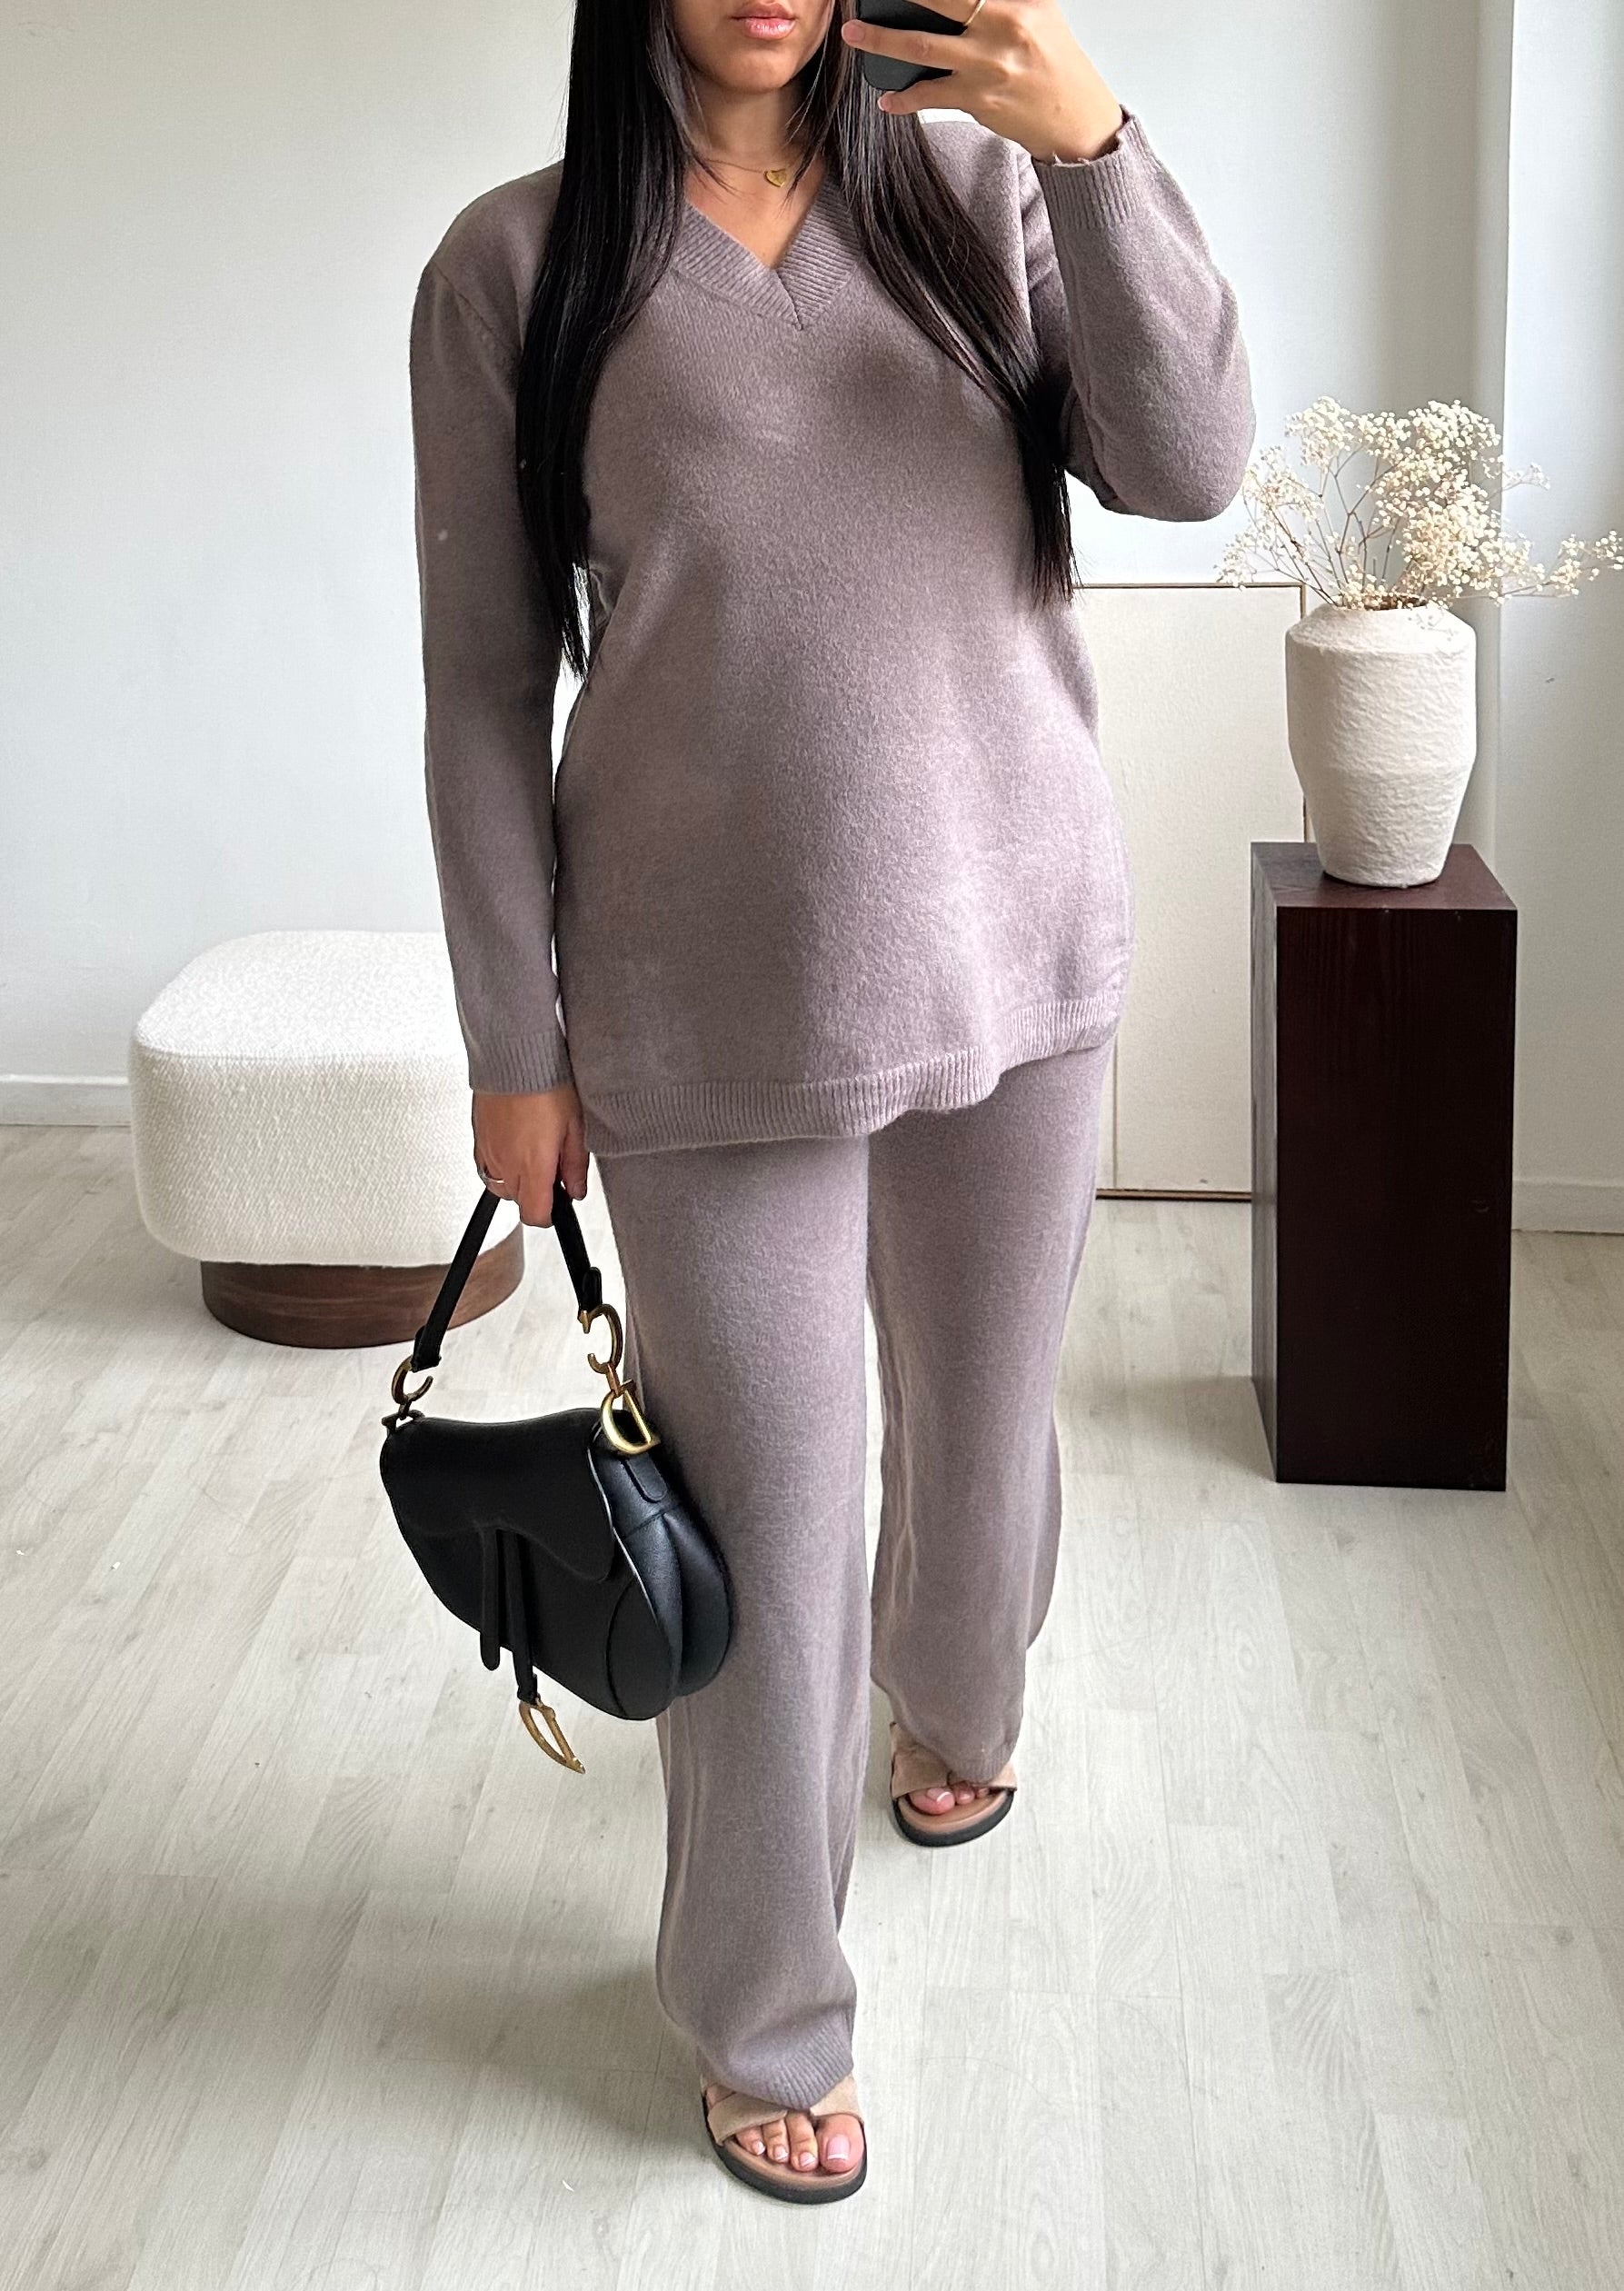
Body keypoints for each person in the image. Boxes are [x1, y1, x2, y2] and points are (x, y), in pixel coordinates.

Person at [408, 0, 1253, 2206]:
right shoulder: (515, 267)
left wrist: (1095, 144)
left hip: (1016, 944)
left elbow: (1188, 465)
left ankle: (958, 1707)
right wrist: (514, 1041)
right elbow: (485, 685)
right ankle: (763, 2009)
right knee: (772, 1527)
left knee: (979, 1423)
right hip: (700, 1004)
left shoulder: (985, 195)